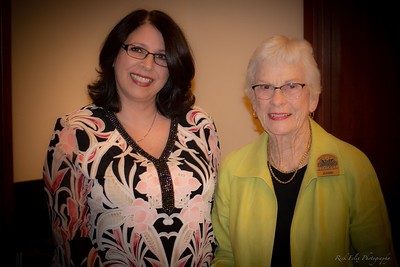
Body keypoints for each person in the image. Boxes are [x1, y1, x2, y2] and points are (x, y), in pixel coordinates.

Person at [43, 9, 221, 266]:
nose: (148, 65)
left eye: (162, 56)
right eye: (137, 49)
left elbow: (213, 223)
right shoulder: (75, 131)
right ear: (114, 55)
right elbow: (69, 243)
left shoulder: (200, 125)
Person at [211, 35, 397, 266]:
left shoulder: (353, 166)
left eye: (291, 86)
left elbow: (376, 259)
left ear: (313, 99)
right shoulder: (232, 169)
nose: (277, 100)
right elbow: (225, 256)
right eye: (265, 87)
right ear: (253, 103)